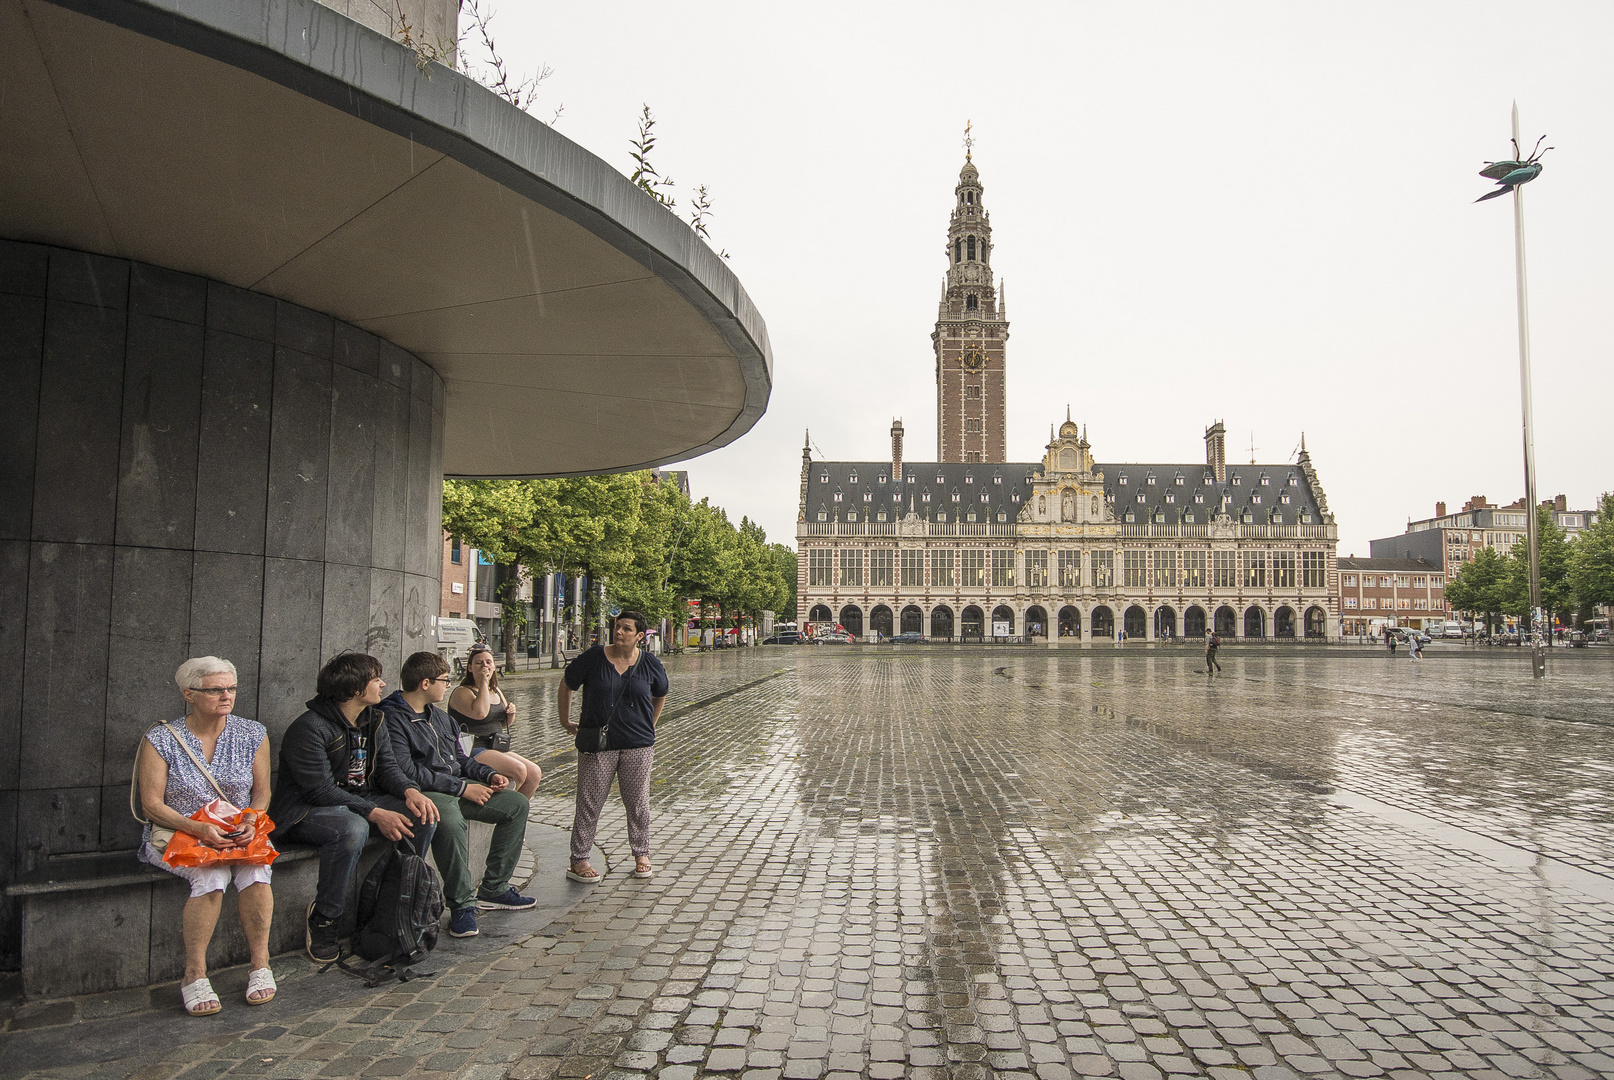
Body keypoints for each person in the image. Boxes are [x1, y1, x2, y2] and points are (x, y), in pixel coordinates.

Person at [269, 653, 439, 964]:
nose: (383, 684)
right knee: (351, 828)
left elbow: (388, 768)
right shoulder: (309, 728)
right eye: (376, 679)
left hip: (357, 800)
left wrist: (410, 791)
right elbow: (319, 790)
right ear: (355, 689)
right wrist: (374, 813)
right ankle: (324, 918)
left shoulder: (374, 719)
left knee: (423, 814)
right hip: (304, 811)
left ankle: (398, 905)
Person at [137, 657, 275, 1015]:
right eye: (215, 690)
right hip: (179, 830)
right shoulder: (161, 739)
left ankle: (260, 965)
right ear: (190, 694)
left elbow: (262, 793)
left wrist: (251, 820)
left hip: (234, 829)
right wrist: (198, 829)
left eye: (230, 688)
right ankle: (194, 974)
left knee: (256, 869)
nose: (226, 695)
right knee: (211, 874)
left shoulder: (253, 733)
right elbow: (151, 804)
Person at [381, 652, 537, 940]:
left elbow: (463, 758)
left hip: (458, 784)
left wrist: (488, 775)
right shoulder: (391, 718)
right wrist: (464, 788)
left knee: (516, 804)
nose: (448, 685)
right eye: (444, 680)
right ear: (425, 683)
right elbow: (407, 771)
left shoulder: (441, 718)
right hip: (426, 793)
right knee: (450, 821)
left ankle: (494, 888)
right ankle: (462, 905)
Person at [558, 611, 669, 883]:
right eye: (617, 627)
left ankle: (642, 854)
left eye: (626, 629)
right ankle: (579, 860)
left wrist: (649, 725)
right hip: (598, 746)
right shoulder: (594, 657)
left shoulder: (650, 663)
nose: (619, 632)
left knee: (638, 803)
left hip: (638, 746)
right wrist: (565, 720)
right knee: (589, 803)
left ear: (639, 636)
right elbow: (567, 683)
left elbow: (660, 694)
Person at [448, 644, 542, 797]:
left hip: (496, 745)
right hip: (473, 748)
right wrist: (483, 683)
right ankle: (504, 808)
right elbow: (480, 713)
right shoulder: (462, 692)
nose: (484, 666)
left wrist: (510, 713)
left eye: (488, 662)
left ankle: (517, 813)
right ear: (470, 668)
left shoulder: (496, 690)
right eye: (479, 663)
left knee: (534, 772)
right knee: (519, 770)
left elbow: (503, 724)